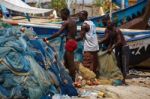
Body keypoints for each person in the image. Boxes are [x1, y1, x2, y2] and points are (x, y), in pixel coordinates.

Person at [43, 8, 77, 81]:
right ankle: (69, 77)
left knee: (71, 63)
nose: (61, 17)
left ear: (65, 14)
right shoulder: (74, 21)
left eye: (61, 15)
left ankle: (73, 80)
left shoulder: (66, 22)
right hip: (74, 41)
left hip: (69, 43)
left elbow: (58, 33)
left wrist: (47, 38)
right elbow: (72, 32)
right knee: (66, 60)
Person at [99, 19, 129, 84]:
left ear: (112, 25)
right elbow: (111, 41)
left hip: (124, 48)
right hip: (118, 48)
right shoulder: (111, 31)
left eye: (108, 24)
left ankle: (124, 80)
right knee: (118, 63)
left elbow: (119, 41)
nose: (106, 25)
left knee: (124, 64)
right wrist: (108, 49)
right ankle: (121, 78)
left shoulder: (117, 30)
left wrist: (112, 48)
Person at [76, 11, 100, 76]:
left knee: (87, 63)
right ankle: (93, 77)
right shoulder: (92, 23)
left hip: (89, 47)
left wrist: (71, 39)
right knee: (93, 63)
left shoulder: (84, 25)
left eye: (80, 15)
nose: (79, 17)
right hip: (95, 46)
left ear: (84, 16)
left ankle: (89, 78)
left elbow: (81, 37)